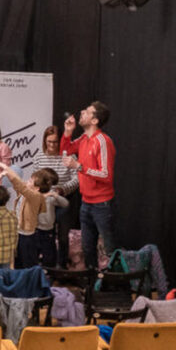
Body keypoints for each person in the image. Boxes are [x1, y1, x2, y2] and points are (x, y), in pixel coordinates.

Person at [61, 102, 116, 269]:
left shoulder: (102, 141)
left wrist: (78, 167)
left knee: (108, 248)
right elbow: (66, 149)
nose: (82, 112)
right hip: (86, 202)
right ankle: (92, 284)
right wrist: (68, 132)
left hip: (102, 204)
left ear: (95, 121)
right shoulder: (84, 138)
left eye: (88, 112)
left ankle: (113, 284)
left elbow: (106, 175)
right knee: (87, 247)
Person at [34, 125, 79, 268]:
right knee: (46, 235)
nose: (52, 145)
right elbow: (35, 178)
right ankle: (49, 265)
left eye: (55, 142)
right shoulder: (39, 157)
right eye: (49, 142)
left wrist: (62, 189)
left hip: (63, 199)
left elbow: (77, 178)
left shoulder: (69, 156)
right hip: (45, 201)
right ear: (44, 141)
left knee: (63, 236)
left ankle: (62, 264)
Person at [0, 163, 57, 268]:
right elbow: (18, 182)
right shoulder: (28, 192)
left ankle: (30, 283)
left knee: (28, 263)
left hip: (28, 236)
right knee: (18, 262)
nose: (27, 181)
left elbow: (20, 185)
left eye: (30, 181)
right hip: (19, 233)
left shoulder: (35, 196)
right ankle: (20, 282)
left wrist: (6, 169)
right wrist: (7, 172)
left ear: (37, 188)